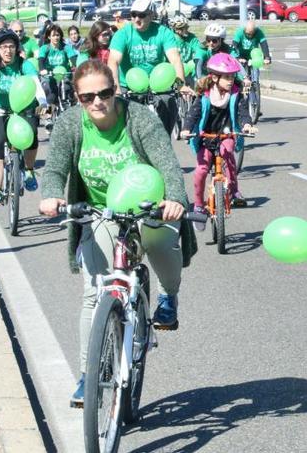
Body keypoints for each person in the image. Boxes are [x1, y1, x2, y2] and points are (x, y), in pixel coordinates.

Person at [38, 59, 197, 407]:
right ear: (78, 98)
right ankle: (88, 376)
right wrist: (50, 196)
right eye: (87, 97)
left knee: (158, 242)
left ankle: (168, 295)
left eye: (104, 93)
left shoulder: (139, 118)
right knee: (94, 292)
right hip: (99, 210)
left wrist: (174, 198)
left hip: (148, 205)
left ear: (115, 91)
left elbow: (166, 161)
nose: (97, 102)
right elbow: (55, 167)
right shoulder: (70, 124)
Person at [180, 53, 255, 217]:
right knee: (201, 170)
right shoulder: (204, 96)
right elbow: (193, 114)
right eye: (226, 77)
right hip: (205, 136)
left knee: (228, 155)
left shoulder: (236, 94)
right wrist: (186, 129)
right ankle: (199, 204)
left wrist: (247, 125)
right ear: (214, 77)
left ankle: (234, 192)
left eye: (232, 76)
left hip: (226, 134)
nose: (230, 80)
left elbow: (243, 113)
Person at [0, 30, 49, 205]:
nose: (8, 50)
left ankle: (30, 170)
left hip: (24, 108)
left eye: (11, 46)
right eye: (3, 47)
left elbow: (35, 84)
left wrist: (42, 102)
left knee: (31, 136)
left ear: (17, 48)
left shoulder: (24, 65)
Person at [108, 0, 194, 136]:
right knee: (121, 114)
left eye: (141, 15)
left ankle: (163, 142)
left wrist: (180, 84)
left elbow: (175, 59)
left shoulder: (163, 32)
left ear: (151, 15)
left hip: (159, 84)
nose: (136, 19)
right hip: (128, 84)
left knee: (168, 102)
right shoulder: (122, 34)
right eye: (133, 15)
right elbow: (113, 61)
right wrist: (116, 87)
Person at [37, 24, 77, 107]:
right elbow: (41, 60)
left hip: (64, 76)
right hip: (49, 76)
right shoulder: (45, 48)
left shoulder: (66, 47)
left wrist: (78, 67)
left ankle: (70, 108)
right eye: (53, 35)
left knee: (68, 89)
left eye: (58, 35)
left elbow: (73, 59)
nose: (56, 37)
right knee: (49, 93)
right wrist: (42, 69)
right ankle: (49, 112)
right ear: (49, 37)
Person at [171, 15, 202, 86]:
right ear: (176, 29)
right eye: (184, 28)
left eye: (187, 27)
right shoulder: (171, 39)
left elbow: (198, 49)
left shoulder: (191, 37)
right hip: (174, 70)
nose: (186, 30)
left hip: (189, 70)